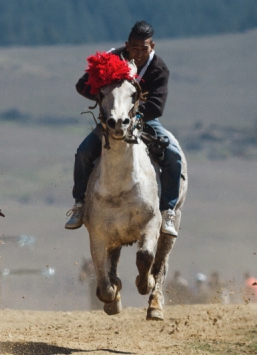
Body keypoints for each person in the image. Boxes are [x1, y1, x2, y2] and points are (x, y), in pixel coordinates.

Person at [64, 21, 185, 237]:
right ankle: (80, 204)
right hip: (111, 121)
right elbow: (82, 85)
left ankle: (167, 211)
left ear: (153, 46)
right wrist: (108, 101)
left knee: (174, 155)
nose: (138, 53)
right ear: (127, 45)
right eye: (134, 48)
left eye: (144, 48)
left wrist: (133, 113)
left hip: (145, 121)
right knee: (83, 153)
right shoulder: (111, 60)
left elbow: (157, 106)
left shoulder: (159, 69)